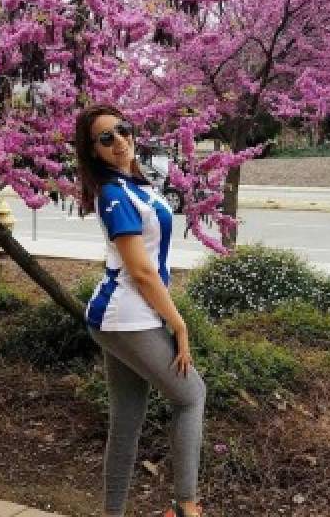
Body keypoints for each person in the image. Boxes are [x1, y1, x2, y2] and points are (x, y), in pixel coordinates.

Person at [74, 104, 206, 517]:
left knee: (128, 417)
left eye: (123, 130)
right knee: (191, 396)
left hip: (129, 314)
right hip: (125, 317)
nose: (119, 141)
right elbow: (143, 273)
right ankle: (186, 507)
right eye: (106, 138)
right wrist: (178, 323)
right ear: (93, 151)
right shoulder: (113, 195)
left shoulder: (135, 185)